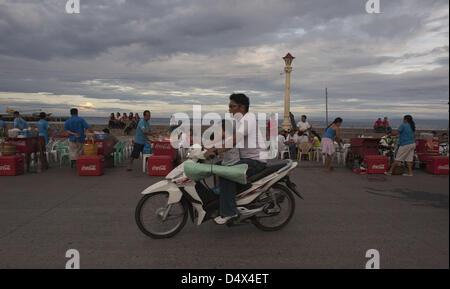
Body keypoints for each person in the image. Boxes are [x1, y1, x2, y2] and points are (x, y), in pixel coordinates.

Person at [204, 93, 268, 225]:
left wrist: (216, 150)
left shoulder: (248, 120)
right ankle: (224, 198)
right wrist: (205, 145)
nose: (229, 109)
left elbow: (233, 141)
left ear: (242, 107)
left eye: (232, 106)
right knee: (217, 167)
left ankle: (229, 212)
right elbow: (222, 131)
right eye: (228, 106)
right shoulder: (237, 121)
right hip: (244, 159)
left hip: (255, 161)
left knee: (227, 173)